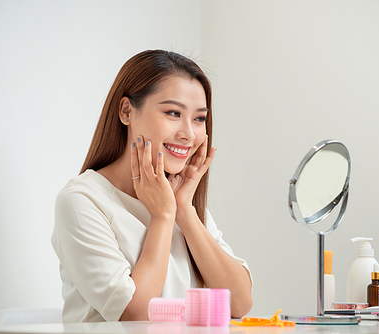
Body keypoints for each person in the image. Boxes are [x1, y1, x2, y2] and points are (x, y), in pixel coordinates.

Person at [51, 50, 253, 323]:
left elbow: (239, 304)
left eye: (199, 118)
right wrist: (162, 217)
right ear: (126, 112)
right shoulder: (82, 200)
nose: (189, 134)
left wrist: (184, 211)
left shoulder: (182, 202)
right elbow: (134, 316)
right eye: (173, 113)